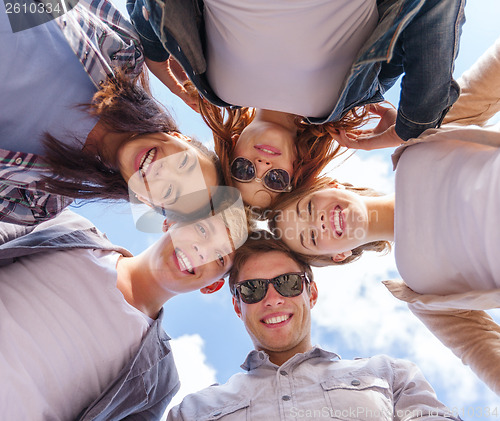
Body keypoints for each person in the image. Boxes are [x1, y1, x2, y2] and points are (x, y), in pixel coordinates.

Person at [269, 39, 500, 395]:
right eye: (311, 237)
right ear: (339, 256)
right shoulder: (421, 291)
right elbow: (482, 352)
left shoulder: (421, 145)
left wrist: (412, 124)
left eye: (309, 208)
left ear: (334, 185)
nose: (318, 223)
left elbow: (491, 75)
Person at [126, 0, 465, 208]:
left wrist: (157, 58)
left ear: (230, 151)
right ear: (297, 169)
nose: (260, 166)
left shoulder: (217, 88)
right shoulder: (347, 98)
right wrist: (412, 126)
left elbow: (154, 7)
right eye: (274, 181)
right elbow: (436, 9)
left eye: (244, 171)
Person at [0, 189, 248, 420]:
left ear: (212, 286)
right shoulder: (64, 226)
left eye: (219, 257)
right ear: (171, 221)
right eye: (202, 230)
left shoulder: (160, 382)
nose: (201, 250)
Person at [166, 233, 461, 420]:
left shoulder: (391, 375)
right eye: (253, 289)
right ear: (237, 307)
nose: (272, 299)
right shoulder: (193, 412)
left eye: (288, 283)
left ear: (312, 293)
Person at [0, 0, 220, 226]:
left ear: (145, 201)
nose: (164, 172)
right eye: (184, 163)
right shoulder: (122, 53)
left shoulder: (37, 201)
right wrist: (156, 53)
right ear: (180, 138)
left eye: (171, 192)